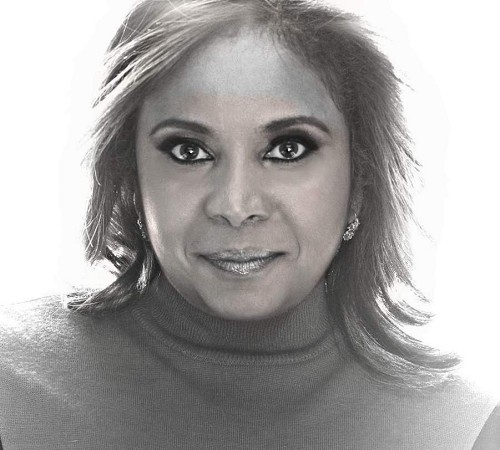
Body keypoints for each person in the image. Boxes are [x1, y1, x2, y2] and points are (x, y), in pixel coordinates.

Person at [0, 0, 498, 448]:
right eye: (189, 151)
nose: (236, 205)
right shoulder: (11, 386)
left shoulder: (464, 429)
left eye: (288, 149)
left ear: (360, 181)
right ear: (129, 176)